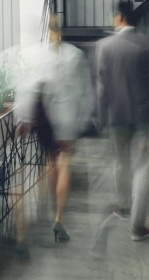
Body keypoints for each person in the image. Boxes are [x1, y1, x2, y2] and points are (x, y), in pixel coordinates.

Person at [14, 15, 92, 250]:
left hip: (45, 119)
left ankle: (28, 225)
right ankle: (59, 218)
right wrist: (83, 119)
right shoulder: (74, 55)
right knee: (64, 164)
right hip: (67, 119)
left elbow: (27, 87)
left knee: (50, 162)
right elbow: (85, 91)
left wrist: (23, 118)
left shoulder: (35, 55)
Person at [91, 0, 149, 251]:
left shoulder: (104, 46)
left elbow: (101, 87)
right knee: (141, 168)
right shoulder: (147, 43)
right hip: (142, 116)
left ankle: (123, 206)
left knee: (120, 162)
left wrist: (100, 117)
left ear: (119, 17)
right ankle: (138, 227)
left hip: (116, 115)